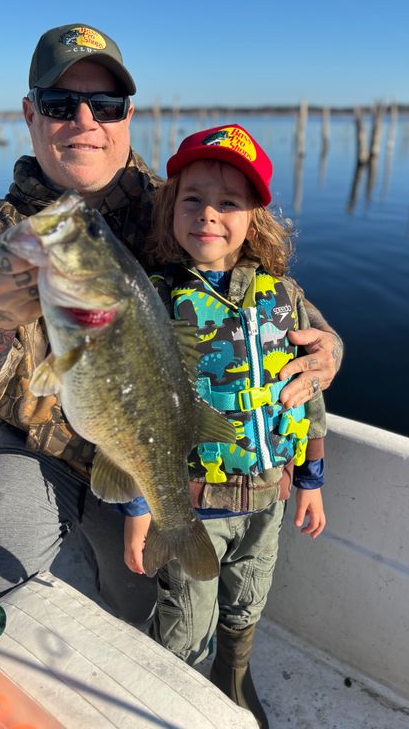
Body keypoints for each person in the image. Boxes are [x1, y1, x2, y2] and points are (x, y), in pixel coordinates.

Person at [0, 22, 342, 627]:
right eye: (60, 103)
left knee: (139, 605)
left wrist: (327, 345)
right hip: (37, 449)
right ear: (30, 113)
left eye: (105, 104)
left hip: (150, 451)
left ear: (128, 115)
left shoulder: (179, 206)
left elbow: (260, 288)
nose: (85, 120)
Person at [122, 124, 327, 728]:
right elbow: (137, 416)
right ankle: (176, 699)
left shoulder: (284, 296)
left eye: (229, 202)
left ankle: (234, 680)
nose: (208, 213)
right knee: (186, 618)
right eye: (193, 198)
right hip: (190, 507)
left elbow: (310, 396)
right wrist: (137, 506)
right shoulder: (154, 298)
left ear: (254, 218)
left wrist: (310, 479)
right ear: (170, 208)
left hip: (269, 497)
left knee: (247, 602)